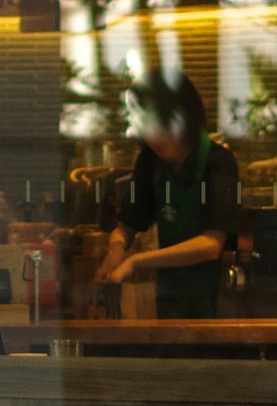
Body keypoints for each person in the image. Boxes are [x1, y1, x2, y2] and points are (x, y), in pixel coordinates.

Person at [99, 73, 242, 318]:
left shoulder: (218, 161)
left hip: (214, 301)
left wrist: (136, 262)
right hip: (168, 299)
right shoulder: (150, 160)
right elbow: (127, 227)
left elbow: (210, 245)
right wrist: (115, 252)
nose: (150, 136)